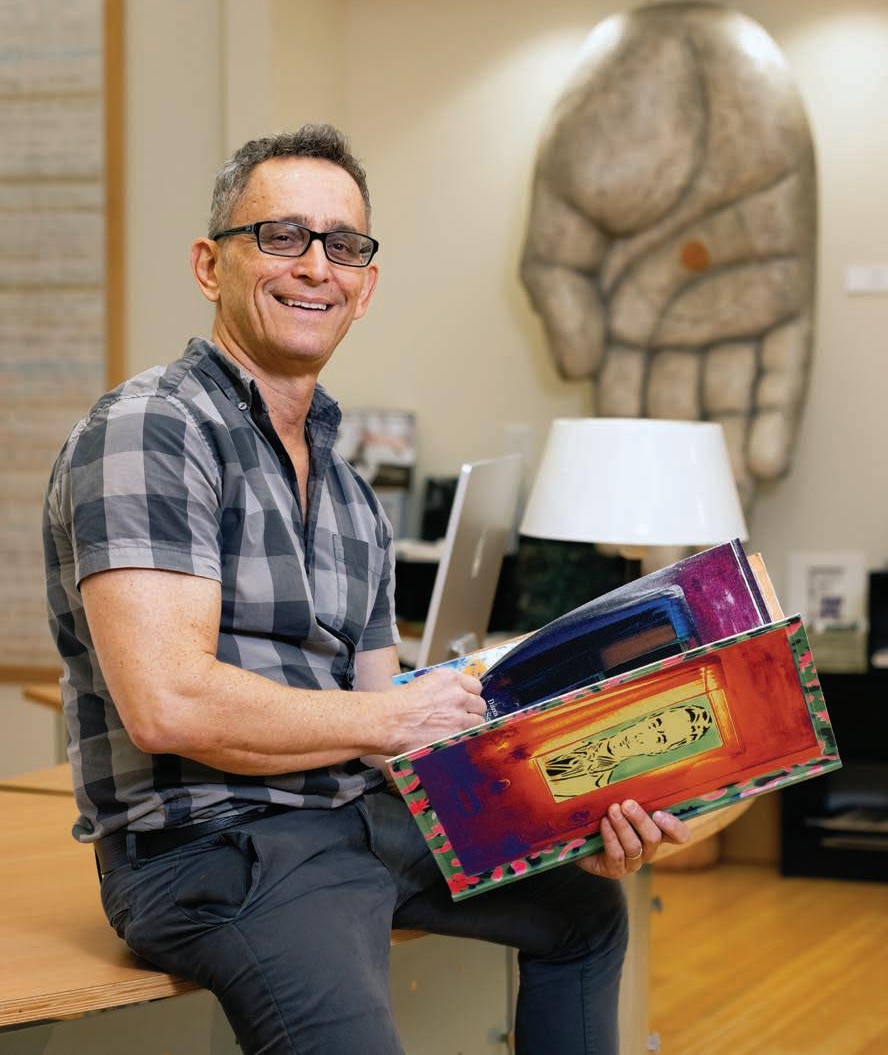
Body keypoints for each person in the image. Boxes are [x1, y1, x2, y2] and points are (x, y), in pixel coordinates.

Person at [43, 124, 691, 1055]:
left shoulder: (352, 495)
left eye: (342, 246)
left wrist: (569, 817)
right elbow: (167, 703)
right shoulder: (151, 430)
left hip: (350, 816)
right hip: (213, 845)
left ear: (365, 286)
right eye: (281, 236)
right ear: (209, 265)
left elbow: (398, 743)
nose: (316, 266)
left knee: (583, 912)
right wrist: (392, 716)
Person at [543, 703, 715, 798]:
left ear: (658, 751)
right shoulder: (570, 724)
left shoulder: (592, 790)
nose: (641, 736)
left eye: (660, 738)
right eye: (654, 725)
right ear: (647, 718)